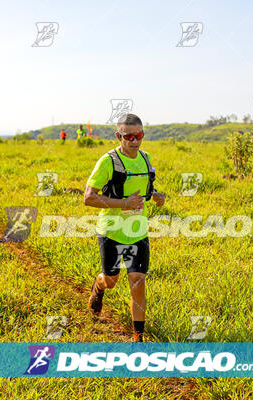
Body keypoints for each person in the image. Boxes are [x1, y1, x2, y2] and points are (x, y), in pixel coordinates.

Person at [84, 113, 165, 342]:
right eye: (129, 136)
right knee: (111, 280)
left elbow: (145, 190)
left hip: (138, 232)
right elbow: (88, 198)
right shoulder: (108, 161)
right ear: (118, 136)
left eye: (139, 135)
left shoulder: (146, 159)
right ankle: (98, 286)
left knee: (138, 281)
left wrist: (156, 196)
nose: (134, 141)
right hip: (111, 231)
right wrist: (123, 204)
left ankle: (138, 337)